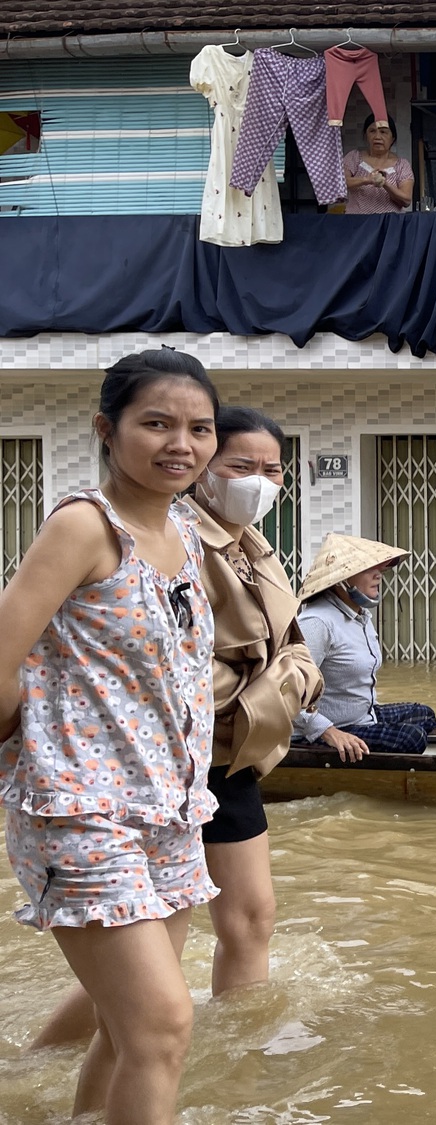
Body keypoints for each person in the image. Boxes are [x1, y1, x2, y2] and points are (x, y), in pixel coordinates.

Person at [31, 406, 326, 1055]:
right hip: (174, 756)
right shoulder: (163, 536)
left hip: (236, 752)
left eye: (272, 468)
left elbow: (289, 642)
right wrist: (268, 683)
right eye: (241, 466)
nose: (259, 480)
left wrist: (289, 674)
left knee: (242, 922)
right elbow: (154, 661)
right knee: (148, 945)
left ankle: (237, 1065)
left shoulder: (253, 543)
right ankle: (43, 1065)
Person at [0, 348, 220, 1122]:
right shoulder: (83, 526)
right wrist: (28, 752)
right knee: (163, 1025)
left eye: (199, 428)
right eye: (155, 423)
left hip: (170, 808)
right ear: (107, 427)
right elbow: (4, 654)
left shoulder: (184, 531)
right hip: (81, 811)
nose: (180, 444)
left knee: (123, 1026)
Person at [293, 534, 436, 757]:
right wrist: (328, 731)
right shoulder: (317, 622)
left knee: (424, 714)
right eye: (367, 569)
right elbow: (288, 693)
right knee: (412, 738)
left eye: (379, 568)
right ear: (342, 579)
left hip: (361, 716)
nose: (378, 575)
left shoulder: (360, 616)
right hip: (325, 728)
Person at [341, 113, 413, 215]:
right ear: (366, 136)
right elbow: (341, 183)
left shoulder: (402, 165)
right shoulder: (354, 157)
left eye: (383, 132)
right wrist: (367, 180)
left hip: (389, 225)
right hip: (356, 224)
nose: (377, 136)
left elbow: (406, 200)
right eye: (372, 131)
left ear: (392, 138)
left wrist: (385, 183)